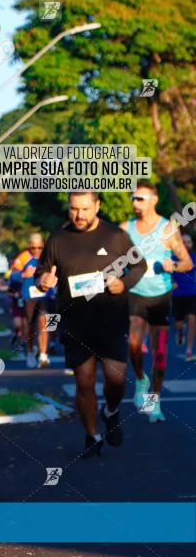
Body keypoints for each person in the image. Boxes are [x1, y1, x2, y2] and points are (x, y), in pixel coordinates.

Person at [36, 191, 147, 457]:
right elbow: (41, 272)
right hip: (76, 323)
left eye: (85, 209)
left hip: (110, 320)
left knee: (115, 380)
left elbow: (139, 266)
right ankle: (92, 436)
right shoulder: (58, 239)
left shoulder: (114, 236)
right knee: (84, 382)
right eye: (74, 209)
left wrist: (124, 283)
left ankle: (110, 410)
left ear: (97, 206)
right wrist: (42, 281)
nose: (80, 215)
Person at [122, 180, 193, 420]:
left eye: (140, 198)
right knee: (133, 344)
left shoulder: (167, 229)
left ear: (153, 200)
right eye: (133, 198)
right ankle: (141, 378)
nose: (135, 202)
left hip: (161, 296)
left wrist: (173, 265)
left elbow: (188, 263)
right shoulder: (125, 228)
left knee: (160, 354)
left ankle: (154, 401)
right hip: (135, 293)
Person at [20, 234, 52, 369]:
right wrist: (23, 275)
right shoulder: (22, 258)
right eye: (33, 248)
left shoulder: (50, 257)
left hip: (46, 296)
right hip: (29, 297)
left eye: (40, 247)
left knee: (45, 322)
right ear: (29, 247)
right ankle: (31, 351)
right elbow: (11, 278)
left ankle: (44, 355)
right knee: (30, 327)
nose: (37, 250)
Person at [172, 233, 196, 361]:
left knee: (193, 319)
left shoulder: (194, 258)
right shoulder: (172, 258)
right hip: (178, 294)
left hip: (193, 293)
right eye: (184, 242)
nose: (186, 244)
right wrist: (170, 283)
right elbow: (166, 273)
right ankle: (180, 332)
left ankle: (189, 349)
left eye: (189, 242)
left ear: (191, 244)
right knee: (179, 323)